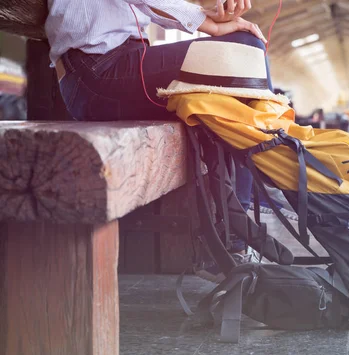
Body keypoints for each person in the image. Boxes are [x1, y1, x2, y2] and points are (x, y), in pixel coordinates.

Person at [45, 0, 273, 279]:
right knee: (246, 48)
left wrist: (209, 12)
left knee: (225, 95)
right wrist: (208, 22)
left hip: (110, 68)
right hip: (97, 70)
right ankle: (243, 228)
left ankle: (232, 242)